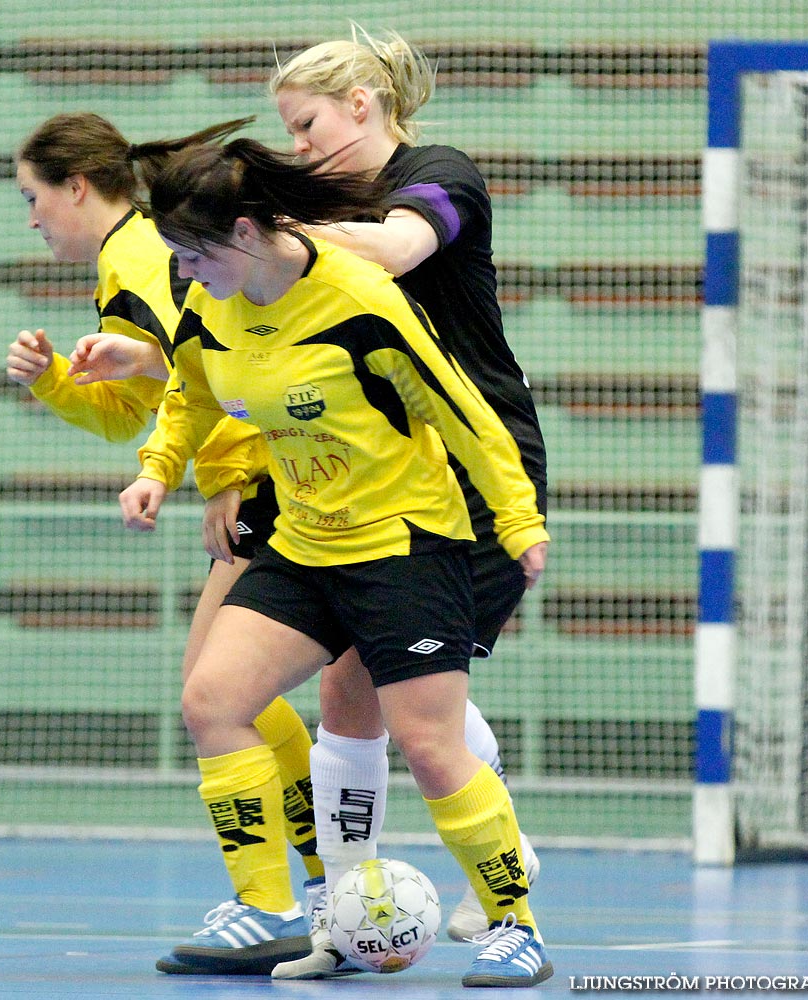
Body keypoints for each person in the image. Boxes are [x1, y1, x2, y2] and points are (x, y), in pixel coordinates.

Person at [118, 131, 554, 988]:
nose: (183, 272)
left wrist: (516, 519)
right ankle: (288, 911)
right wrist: (156, 469)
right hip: (307, 542)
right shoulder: (215, 299)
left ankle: (516, 926)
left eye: (191, 253)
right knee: (213, 700)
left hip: (404, 545)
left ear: (244, 234)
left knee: (430, 748)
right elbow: (192, 388)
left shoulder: (357, 297)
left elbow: (460, 407)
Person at [263, 28, 552, 978]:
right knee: (351, 688)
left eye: (306, 126)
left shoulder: (438, 174)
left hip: (471, 464)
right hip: (374, 476)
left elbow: (392, 249)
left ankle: (509, 898)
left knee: (409, 696)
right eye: (286, 135)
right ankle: (347, 915)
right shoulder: (323, 199)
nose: (298, 148)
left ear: (362, 103)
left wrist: (276, 229)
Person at [5, 112, 322, 972]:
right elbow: (136, 409)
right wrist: (58, 384)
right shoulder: (128, 265)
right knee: (231, 698)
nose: (30, 217)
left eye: (33, 197)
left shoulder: (145, 258)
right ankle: (317, 884)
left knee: (216, 697)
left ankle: (276, 902)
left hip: (265, 478)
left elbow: (211, 361)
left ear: (76, 186)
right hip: (259, 476)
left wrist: (224, 477)